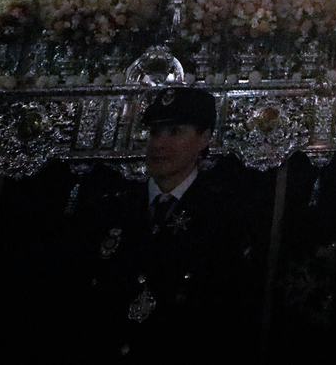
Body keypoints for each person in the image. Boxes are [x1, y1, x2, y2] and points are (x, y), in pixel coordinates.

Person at [73, 87, 257, 363]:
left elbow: (225, 318)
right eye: (155, 133)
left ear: (204, 138)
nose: (159, 145)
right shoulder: (111, 209)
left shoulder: (224, 217)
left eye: (175, 132)